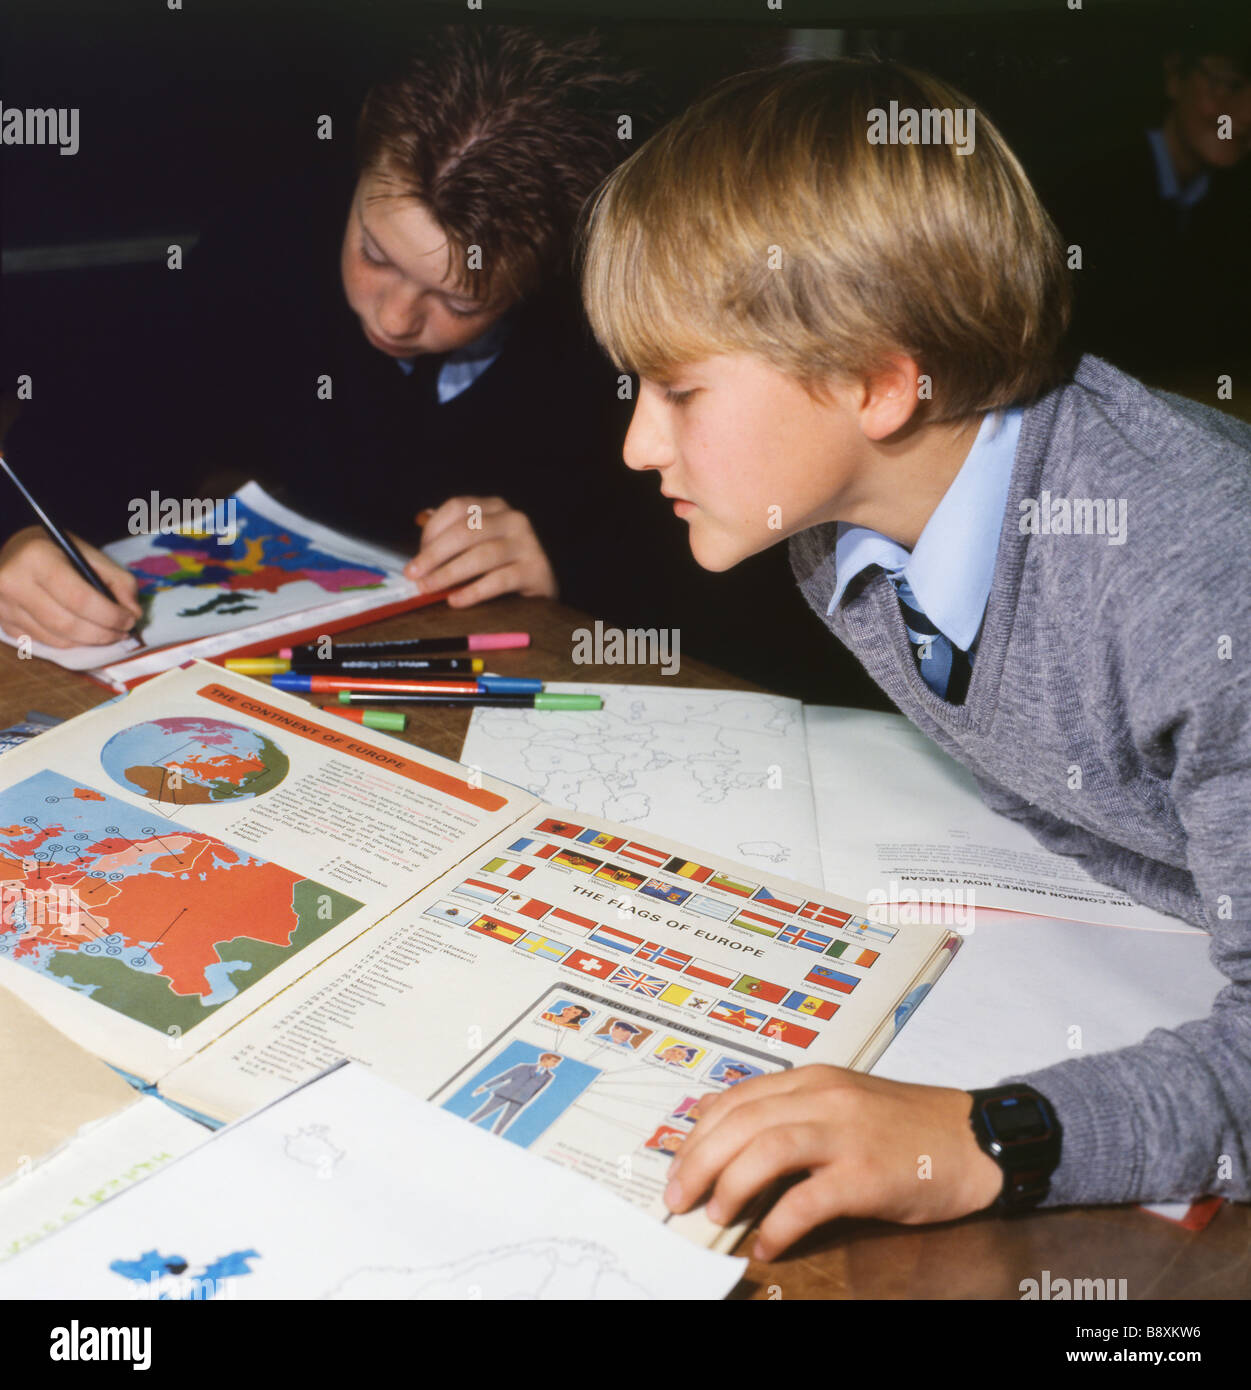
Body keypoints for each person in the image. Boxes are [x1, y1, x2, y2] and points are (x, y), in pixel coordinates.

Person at [579, 58, 1250, 1260]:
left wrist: (983, 1140)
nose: (638, 443)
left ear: (878, 383)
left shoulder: (1200, 579)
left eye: (679, 390)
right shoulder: (829, 529)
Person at [0, 27, 653, 646]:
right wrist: (17, 538)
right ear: (360, 170)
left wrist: (565, 565)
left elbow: (694, 584)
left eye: (457, 299)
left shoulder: (609, 334)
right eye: (374, 253)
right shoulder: (271, 245)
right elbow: (87, 429)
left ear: (539, 279)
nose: (393, 319)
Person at [1045, 22, 1251, 377]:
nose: (1245, 115)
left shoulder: (1232, 203)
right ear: (1174, 77)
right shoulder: (1091, 190)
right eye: (1229, 84)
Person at [467, 1052, 562, 1136]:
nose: (556, 1064)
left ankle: (494, 1138)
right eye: (554, 1061)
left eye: (557, 1063)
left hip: (519, 1101)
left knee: (503, 1123)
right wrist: (485, 1087)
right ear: (545, 1059)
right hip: (503, 1094)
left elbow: (536, 1092)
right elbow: (503, 1077)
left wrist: (525, 1102)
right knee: (483, 1112)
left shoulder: (548, 1077)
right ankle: (466, 1124)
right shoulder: (523, 1067)